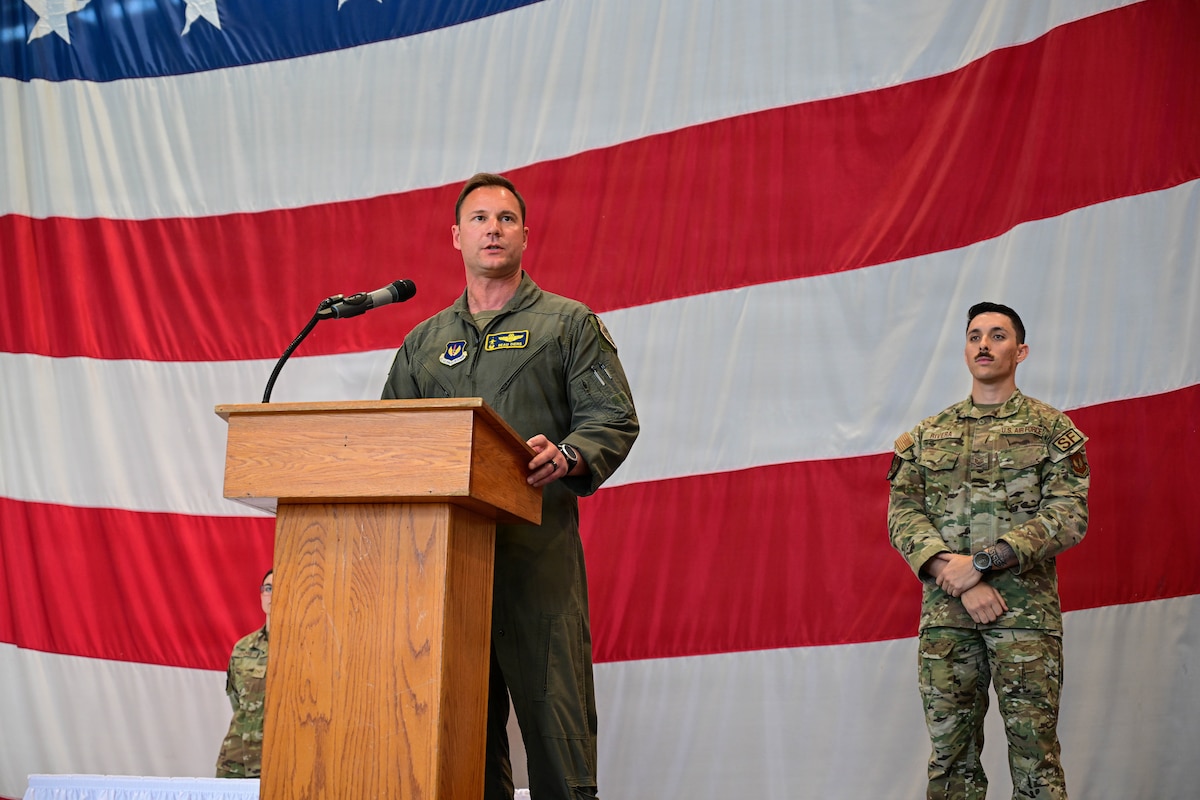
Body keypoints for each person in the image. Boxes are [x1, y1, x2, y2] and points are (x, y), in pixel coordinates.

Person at [381, 173, 639, 800]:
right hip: (442, 574)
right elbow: (388, 442)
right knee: (460, 749)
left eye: (505, 218)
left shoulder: (568, 324)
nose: (492, 229)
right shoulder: (422, 343)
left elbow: (613, 418)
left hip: (536, 563)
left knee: (560, 743)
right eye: (478, 219)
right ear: (456, 237)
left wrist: (571, 454)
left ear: (526, 233)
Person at [887, 302, 1090, 799]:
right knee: (950, 761)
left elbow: (1068, 516)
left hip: (1024, 618)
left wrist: (980, 565)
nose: (984, 344)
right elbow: (902, 513)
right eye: (975, 335)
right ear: (964, 349)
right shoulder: (925, 436)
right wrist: (946, 571)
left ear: (1020, 351)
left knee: (1035, 761)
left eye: (998, 336)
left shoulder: (1051, 431)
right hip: (947, 617)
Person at [215, 569, 272, 778]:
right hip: (237, 761)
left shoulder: (308, 647)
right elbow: (237, 700)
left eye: (279, 588)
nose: (273, 594)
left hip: (285, 761)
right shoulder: (244, 647)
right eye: (268, 588)